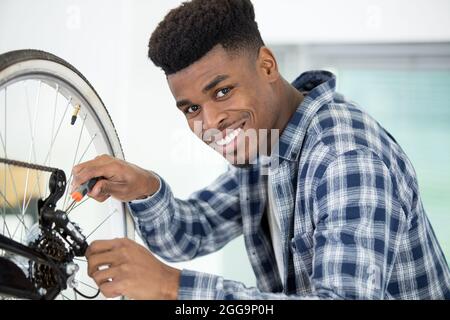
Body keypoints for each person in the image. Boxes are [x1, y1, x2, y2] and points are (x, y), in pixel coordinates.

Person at [71, 0, 450, 299]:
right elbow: (190, 232)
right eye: (191, 108)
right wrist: (144, 188)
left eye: (222, 91)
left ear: (267, 65)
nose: (211, 120)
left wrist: (173, 288)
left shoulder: (345, 159)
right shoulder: (266, 143)